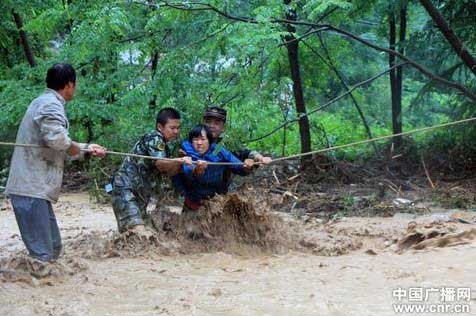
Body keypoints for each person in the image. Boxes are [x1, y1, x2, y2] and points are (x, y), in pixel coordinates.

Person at [5, 63, 106, 262]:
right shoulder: (50, 104)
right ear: (69, 84)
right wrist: (79, 147)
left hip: (36, 191)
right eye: (75, 85)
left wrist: (86, 149)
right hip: (30, 189)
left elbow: (58, 145)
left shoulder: (45, 102)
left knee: (53, 248)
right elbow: (58, 140)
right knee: (43, 255)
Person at [111, 107, 192, 234]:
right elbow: (160, 164)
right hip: (126, 190)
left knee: (135, 233)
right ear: (160, 127)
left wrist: (183, 164)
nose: (176, 131)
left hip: (140, 195)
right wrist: (180, 160)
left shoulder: (165, 146)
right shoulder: (154, 137)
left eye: (178, 128)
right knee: (138, 233)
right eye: (172, 128)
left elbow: (168, 172)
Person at [173, 124, 254, 212]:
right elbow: (189, 171)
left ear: (209, 141)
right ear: (191, 141)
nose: (199, 143)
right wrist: (198, 169)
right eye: (195, 139)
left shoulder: (218, 150)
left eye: (203, 139)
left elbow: (239, 166)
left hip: (215, 203)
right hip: (192, 203)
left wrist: (247, 166)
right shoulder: (186, 151)